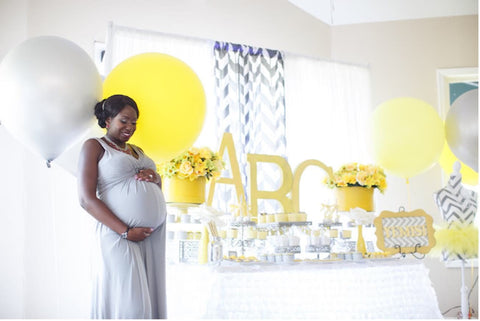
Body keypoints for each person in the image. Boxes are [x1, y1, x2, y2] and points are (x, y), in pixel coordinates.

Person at [77, 94, 167, 319]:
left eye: (134, 122)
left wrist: (155, 178)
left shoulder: (138, 150)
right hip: (118, 234)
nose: (130, 127)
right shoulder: (94, 146)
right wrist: (126, 232)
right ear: (108, 121)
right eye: (124, 120)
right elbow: (86, 199)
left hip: (150, 236)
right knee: (132, 305)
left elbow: (157, 188)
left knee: (151, 301)